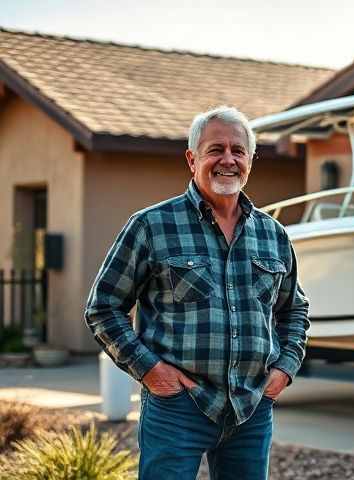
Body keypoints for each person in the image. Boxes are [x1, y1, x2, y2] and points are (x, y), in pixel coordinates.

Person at [85, 106, 310, 480]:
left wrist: (284, 370)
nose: (228, 159)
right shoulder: (151, 226)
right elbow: (103, 307)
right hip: (177, 408)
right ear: (192, 159)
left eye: (238, 151)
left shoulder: (274, 235)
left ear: (251, 160)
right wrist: (150, 369)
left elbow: (294, 311)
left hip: (251, 409)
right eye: (215, 149)